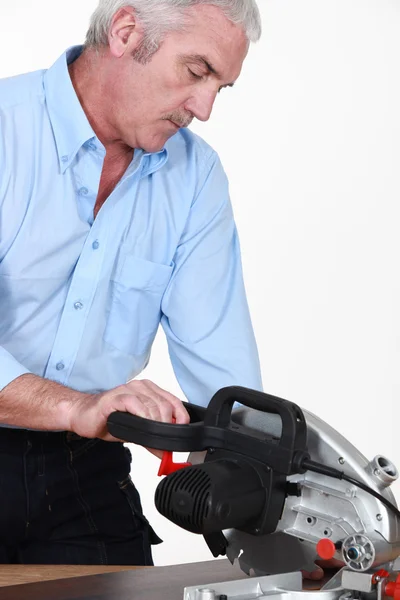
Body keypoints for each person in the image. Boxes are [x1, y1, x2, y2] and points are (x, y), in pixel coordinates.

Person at [0, 0, 263, 566]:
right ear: (125, 32)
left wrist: (276, 504)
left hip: (85, 474)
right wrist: (75, 407)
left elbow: (226, 378)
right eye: (197, 72)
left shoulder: (195, 179)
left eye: (222, 86)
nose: (205, 108)